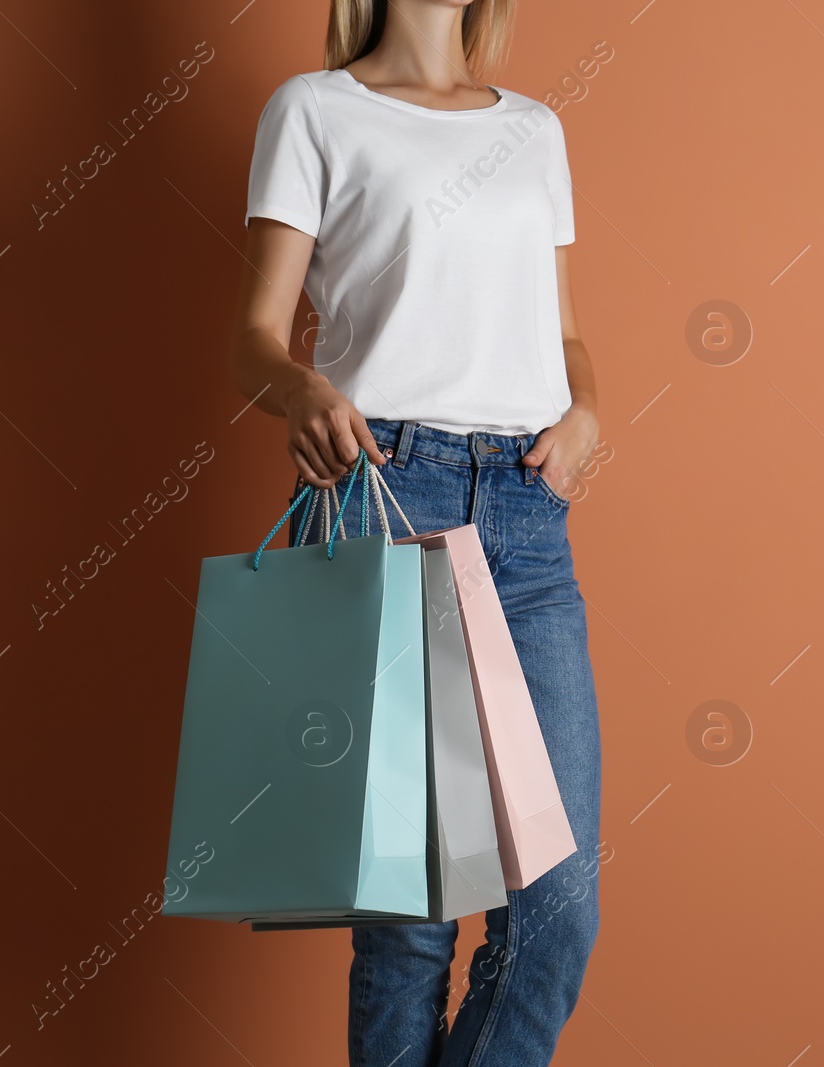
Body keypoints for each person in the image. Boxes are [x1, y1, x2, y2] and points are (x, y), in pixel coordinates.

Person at [227, 1, 604, 1064]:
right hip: (386, 494)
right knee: (409, 919)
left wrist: (588, 411)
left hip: (526, 513)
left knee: (556, 908)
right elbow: (252, 338)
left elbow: (565, 330)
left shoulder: (534, 129)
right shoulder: (312, 111)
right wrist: (299, 389)